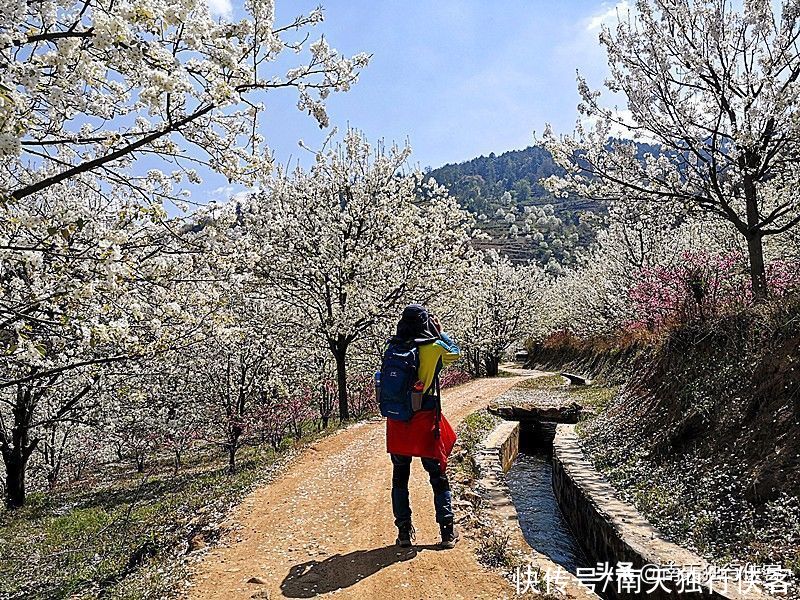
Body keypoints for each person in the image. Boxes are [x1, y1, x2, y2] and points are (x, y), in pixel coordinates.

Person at [385, 303, 461, 549]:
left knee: (400, 477)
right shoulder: (435, 347)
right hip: (425, 419)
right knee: (438, 476)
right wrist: (440, 332)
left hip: (398, 421)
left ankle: (404, 533)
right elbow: (455, 353)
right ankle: (447, 532)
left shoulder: (393, 348)